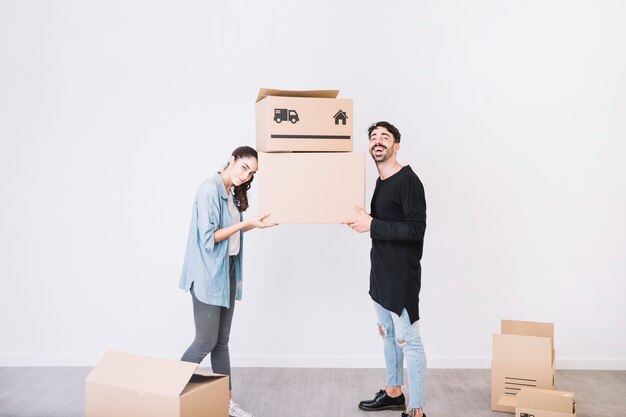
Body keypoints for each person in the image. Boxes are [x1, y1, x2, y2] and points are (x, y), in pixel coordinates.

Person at [179, 146, 276, 417]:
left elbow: (229, 238)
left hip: (228, 271)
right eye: (243, 167)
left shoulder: (231, 194)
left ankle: (225, 402)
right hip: (208, 274)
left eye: (251, 173)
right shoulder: (209, 189)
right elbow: (209, 238)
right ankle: (167, 390)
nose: (246, 175)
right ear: (232, 160)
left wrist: (254, 224)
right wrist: (248, 224)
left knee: (222, 342)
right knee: (204, 341)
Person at [345, 122, 428, 417]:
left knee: (409, 342)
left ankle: (417, 410)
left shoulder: (408, 181)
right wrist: (366, 221)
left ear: (397, 145)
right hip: (380, 273)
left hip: (401, 277)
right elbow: (384, 224)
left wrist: (373, 225)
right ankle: (394, 393)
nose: (378, 142)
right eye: (373, 138)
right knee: (388, 335)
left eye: (385, 137)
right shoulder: (382, 180)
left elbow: (416, 230)